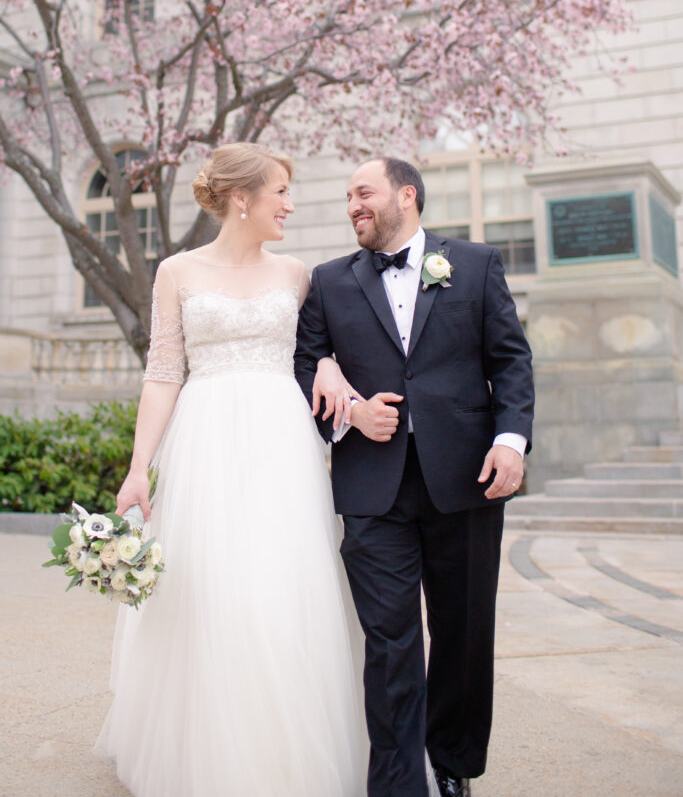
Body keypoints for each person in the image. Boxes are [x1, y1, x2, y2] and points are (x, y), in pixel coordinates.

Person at [96, 142, 369, 797]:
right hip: (206, 440)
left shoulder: (298, 273)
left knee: (280, 588)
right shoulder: (176, 272)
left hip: (281, 442)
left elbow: (315, 353)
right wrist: (140, 469)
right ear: (241, 198)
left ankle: (285, 759)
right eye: (279, 191)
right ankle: (206, 759)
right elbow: (163, 375)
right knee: (209, 588)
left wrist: (328, 366)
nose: (290, 204)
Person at [295, 156, 534, 797]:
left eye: (363, 192)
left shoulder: (477, 265)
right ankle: (398, 784)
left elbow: (510, 360)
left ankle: (451, 766)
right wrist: (350, 413)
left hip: (467, 482)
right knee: (391, 642)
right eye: (347, 197)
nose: (352, 205)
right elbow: (304, 369)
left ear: (407, 195)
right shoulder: (328, 281)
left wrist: (511, 442)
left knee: (461, 633)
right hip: (374, 490)